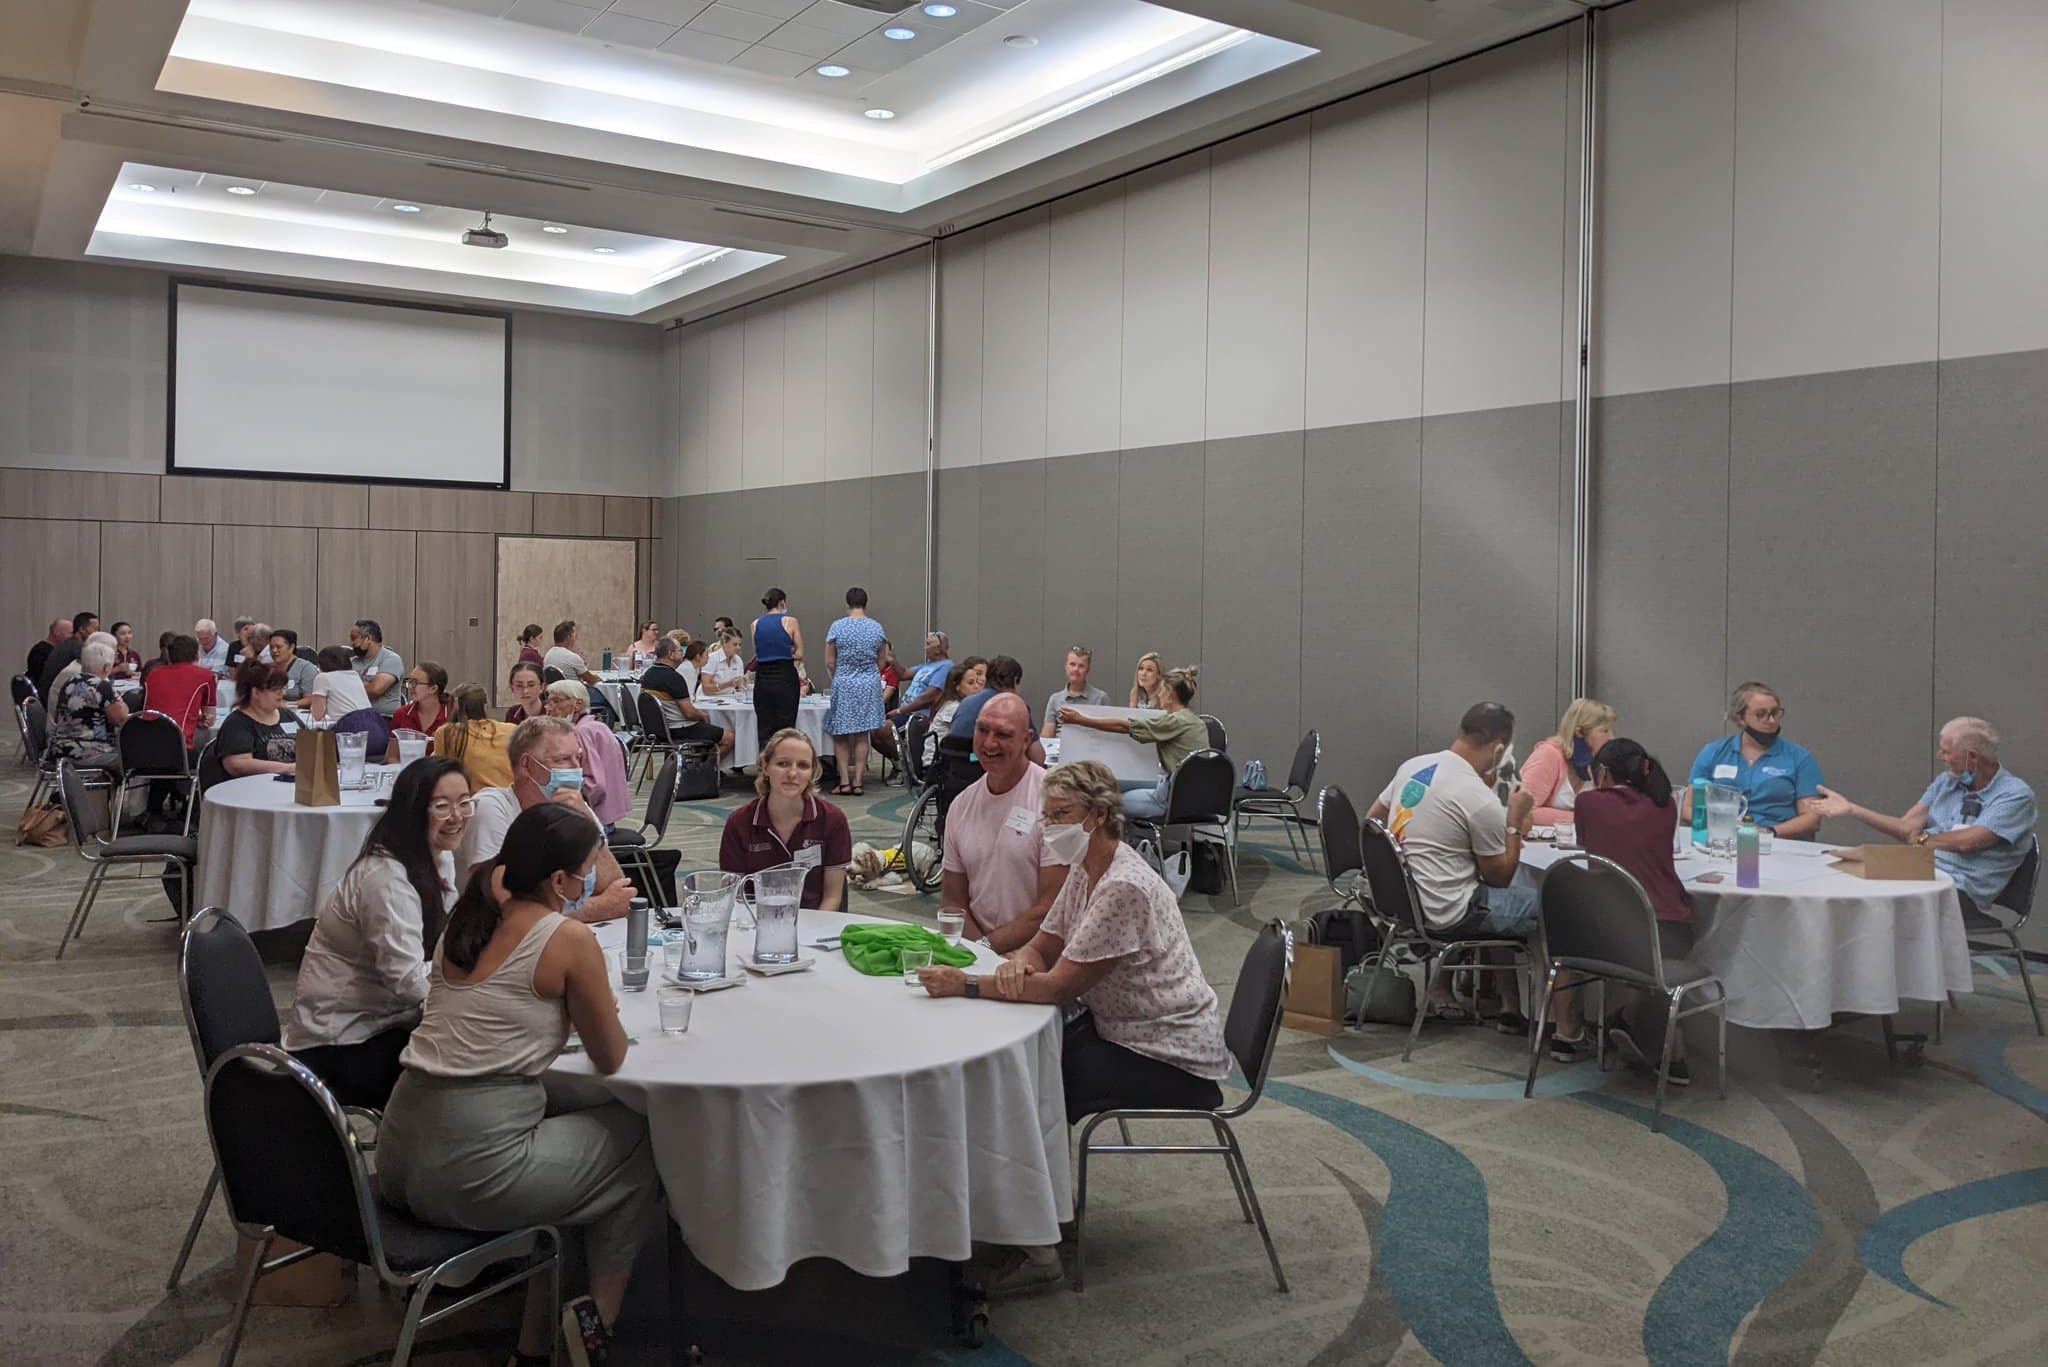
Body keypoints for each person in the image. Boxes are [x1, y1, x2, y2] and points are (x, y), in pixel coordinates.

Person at [918, 760, 1231, 1291]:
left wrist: (966, 984)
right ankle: (1034, 1213)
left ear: (1099, 816)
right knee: (1028, 1067)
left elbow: (1059, 988)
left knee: (1027, 1084)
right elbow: (1046, 943)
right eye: (1046, 814)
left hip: (1166, 1050)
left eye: (1060, 815)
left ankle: (1040, 1247)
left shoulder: (1122, 886)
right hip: (1122, 1027)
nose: (1048, 827)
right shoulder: (1089, 868)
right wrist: (1021, 963)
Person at [376, 803, 658, 1367]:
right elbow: (610, 1057)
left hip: (398, 1147)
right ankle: (593, 1327)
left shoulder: (470, 912)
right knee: (639, 1138)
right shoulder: (564, 938)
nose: (587, 884)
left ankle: (539, 1336)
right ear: (559, 881)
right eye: (585, 872)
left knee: (583, 1139)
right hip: (470, 1173)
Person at [283, 758, 471, 1108]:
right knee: (473, 1070)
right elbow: (408, 982)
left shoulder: (434, 857)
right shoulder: (386, 878)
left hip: (385, 1022)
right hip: (341, 1042)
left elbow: (444, 945)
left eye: (464, 802)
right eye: (442, 806)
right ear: (413, 811)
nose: (457, 816)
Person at [1364, 702, 1542, 1027]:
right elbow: (1500, 877)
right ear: (1499, 749)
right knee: (1554, 905)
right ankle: (1561, 1023)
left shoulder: (1414, 767)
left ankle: (1508, 1003)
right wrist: (1514, 822)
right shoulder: (1477, 797)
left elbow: (1372, 821)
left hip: (1402, 901)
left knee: (1489, 897)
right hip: (1448, 913)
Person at [1809, 717, 2038, 913]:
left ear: (1973, 757)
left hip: (1959, 887)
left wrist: (1921, 841)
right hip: (1919, 867)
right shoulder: (1948, 782)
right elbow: (1906, 828)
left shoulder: (2015, 795)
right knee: (1842, 870)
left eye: (1947, 752)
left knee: (1874, 897)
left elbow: (1969, 842)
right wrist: (1852, 809)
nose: (1940, 756)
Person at [1576, 738, 1696, 1082]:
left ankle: (1627, 1024)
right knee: (1656, 964)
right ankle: (1644, 1030)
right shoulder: (1665, 806)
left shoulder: (1588, 804)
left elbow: (1587, 843)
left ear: (1602, 772)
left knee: (1640, 960)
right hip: (1671, 931)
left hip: (1609, 932)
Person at [455, 715, 649, 916]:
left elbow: (618, 891)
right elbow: (500, 906)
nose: (576, 769)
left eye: (578, 758)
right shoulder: (492, 807)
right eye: (563, 759)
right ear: (527, 765)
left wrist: (588, 823)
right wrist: (597, 908)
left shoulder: (577, 808)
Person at [942, 694, 1068, 952]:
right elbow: (953, 901)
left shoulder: (1054, 802)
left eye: (1003, 734)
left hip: (1037, 954)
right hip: (978, 948)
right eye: (982, 730)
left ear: (1026, 740)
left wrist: (987, 949)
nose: (989, 743)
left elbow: (1051, 908)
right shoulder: (961, 806)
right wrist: (979, 953)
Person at [718, 729, 852, 910]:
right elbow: (733, 897)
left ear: (812, 772)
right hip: (756, 923)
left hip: (815, 923)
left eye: (803, 766)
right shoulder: (739, 822)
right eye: (783, 764)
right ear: (765, 766)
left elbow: (832, 897)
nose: (792, 773)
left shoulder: (832, 820)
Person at [1060, 665, 1206, 821]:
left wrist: (1080, 720)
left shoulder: (1174, 721)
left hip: (1170, 799)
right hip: (1194, 797)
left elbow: (1124, 726)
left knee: (1107, 800)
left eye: (1162, 690)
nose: (1159, 694)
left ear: (1170, 694)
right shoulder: (1196, 721)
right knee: (1115, 786)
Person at [1688, 681, 1823, 839]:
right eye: (1761, 714)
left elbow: (1812, 819)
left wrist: (1769, 833)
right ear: (1740, 718)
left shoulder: (1799, 758)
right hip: (1721, 838)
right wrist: (1720, 828)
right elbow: (1689, 807)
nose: (1771, 720)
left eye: (1775, 713)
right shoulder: (1714, 752)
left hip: (1775, 841)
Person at [824, 587, 887, 796]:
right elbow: (882, 661)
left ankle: (844, 782)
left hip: (844, 681)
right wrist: (867, 673)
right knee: (862, 734)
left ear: (847, 603)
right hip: (869, 682)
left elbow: (830, 660)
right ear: (866, 603)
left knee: (841, 735)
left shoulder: (837, 627)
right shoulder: (877, 628)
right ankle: (859, 781)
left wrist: (841, 674)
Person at [544, 680, 631, 829]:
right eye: (549, 702)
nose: (549, 709)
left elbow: (595, 785)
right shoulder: (597, 726)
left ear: (577, 704)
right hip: (609, 814)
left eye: (556, 701)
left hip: (594, 820)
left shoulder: (581, 732)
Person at [1520, 698, 1618, 826]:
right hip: (1538, 843)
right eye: (1604, 731)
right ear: (1579, 733)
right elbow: (1524, 812)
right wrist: (1582, 818)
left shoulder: (1595, 763)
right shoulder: (1548, 755)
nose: (1612, 738)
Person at [200, 660, 297, 788]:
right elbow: (237, 765)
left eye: (283, 688)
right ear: (256, 692)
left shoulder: (287, 716)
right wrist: (288, 768)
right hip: (251, 789)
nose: (282, 693)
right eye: (275, 689)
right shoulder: (237, 723)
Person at [639, 639, 731, 759]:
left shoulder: (648, 674)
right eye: (680, 650)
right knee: (730, 737)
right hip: (679, 729)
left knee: (707, 727)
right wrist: (703, 715)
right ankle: (705, 770)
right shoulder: (674, 678)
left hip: (657, 730)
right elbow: (689, 713)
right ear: (670, 655)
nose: (683, 653)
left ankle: (694, 765)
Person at [47, 639, 129, 775]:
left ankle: (94, 793)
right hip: (88, 751)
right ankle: (105, 794)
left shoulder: (70, 682)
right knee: (136, 761)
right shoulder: (101, 686)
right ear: (107, 667)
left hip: (60, 749)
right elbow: (121, 719)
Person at [432, 683, 517, 793]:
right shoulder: (512, 729)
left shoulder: (446, 732)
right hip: (510, 802)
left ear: (453, 707)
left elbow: (439, 774)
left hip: (472, 802)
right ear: (486, 707)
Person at [142, 634, 217, 747]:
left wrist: (195, 719)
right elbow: (209, 719)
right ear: (197, 655)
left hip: (145, 741)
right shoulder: (206, 676)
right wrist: (202, 720)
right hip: (178, 745)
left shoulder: (153, 674)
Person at [751, 588, 804, 740]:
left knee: (764, 725)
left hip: (763, 679)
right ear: (782, 602)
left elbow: (758, 652)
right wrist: (789, 652)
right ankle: (785, 760)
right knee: (786, 726)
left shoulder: (755, 624)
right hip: (785, 676)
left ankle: (765, 760)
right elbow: (800, 653)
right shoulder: (790, 621)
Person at [925, 657, 985, 769]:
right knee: (985, 758)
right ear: (957, 686)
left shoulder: (961, 704)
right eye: (970, 683)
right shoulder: (952, 708)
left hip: (952, 757)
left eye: (977, 682)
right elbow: (968, 739)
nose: (977, 686)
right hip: (937, 765)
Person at [386, 661, 452, 762]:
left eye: (415, 682)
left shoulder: (452, 715)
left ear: (433, 688)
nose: (410, 687)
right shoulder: (401, 714)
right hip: (408, 773)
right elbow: (392, 757)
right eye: (410, 681)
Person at [1041, 645, 1109, 739]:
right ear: (1066, 667)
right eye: (1072, 664)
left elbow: (1107, 734)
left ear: (1088, 670)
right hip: (1060, 751)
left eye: (1081, 666)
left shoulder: (1100, 698)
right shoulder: (1055, 699)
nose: (1076, 669)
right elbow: (1046, 736)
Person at [887, 632, 953, 727]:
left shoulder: (946, 666)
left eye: (928, 644)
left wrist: (899, 711)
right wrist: (891, 660)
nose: (925, 648)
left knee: (884, 729)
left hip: (918, 716)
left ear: (938, 649)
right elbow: (904, 674)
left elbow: (927, 697)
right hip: (906, 712)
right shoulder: (927, 664)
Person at [349, 620, 405, 719]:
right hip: (355, 717)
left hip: (383, 718)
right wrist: (366, 685)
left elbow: (376, 689)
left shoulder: (391, 659)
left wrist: (349, 688)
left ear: (368, 639)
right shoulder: (351, 662)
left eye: (354, 638)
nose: (351, 643)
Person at [38, 610, 96, 699]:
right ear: (81, 629)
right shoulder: (76, 647)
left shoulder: (67, 643)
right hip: (54, 698)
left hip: (50, 693)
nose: (96, 633)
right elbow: (93, 672)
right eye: (94, 629)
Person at [544, 620, 600, 686]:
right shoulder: (572, 657)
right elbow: (591, 680)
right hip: (573, 693)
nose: (576, 639)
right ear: (568, 638)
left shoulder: (548, 655)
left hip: (554, 692)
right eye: (575, 636)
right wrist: (598, 678)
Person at [268, 629, 319, 700]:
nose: (274, 650)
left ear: (291, 647)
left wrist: (287, 706)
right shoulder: (267, 668)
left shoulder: (306, 668)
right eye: (271, 647)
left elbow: (310, 699)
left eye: (278, 647)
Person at [25, 617, 71, 689]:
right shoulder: (40, 652)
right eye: (70, 633)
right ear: (57, 633)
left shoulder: (57, 651)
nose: (72, 637)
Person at [698, 629, 747, 696]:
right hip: (709, 699)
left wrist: (744, 682)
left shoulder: (738, 660)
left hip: (730, 699)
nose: (738, 648)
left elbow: (740, 686)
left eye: (740, 645)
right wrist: (728, 684)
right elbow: (706, 689)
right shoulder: (712, 659)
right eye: (735, 645)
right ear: (724, 643)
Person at [505, 660, 546, 724]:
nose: (525, 691)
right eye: (519, 685)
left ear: (542, 687)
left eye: (531, 685)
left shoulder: (552, 713)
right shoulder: (512, 714)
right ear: (512, 688)